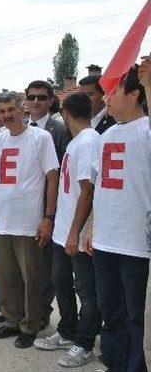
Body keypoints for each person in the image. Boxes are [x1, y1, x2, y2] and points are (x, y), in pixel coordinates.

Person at [86, 63, 151, 372]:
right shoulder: (106, 134)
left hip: (137, 241)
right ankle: (114, 363)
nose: (107, 98)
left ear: (135, 94)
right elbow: (100, 186)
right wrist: (91, 226)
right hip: (105, 238)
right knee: (110, 309)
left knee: (136, 315)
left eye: (114, 92)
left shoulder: (147, 130)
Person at [0, 91, 59, 349]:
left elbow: (52, 177)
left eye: (11, 110)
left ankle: (31, 324)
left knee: (32, 277)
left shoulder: (41, 137)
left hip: (28, 220)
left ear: (23, 109)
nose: (6, 115)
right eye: (2, 111)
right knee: (6, 276)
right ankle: (12, 320)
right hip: (2, 217)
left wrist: (48, 216)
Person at [33, 92, 101, 367]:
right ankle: (67, 331)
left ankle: (84, 343)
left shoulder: (89, 141)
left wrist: (76, 232)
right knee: (60, 281)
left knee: (86, 289)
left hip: (77, 231)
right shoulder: (77, 141)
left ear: (64, 112)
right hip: (63, 229)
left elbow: (88, 190)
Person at [25, 80, 71, 329]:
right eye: (31, 97)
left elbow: (63, 173)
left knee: (45, 265)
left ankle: (42, 311)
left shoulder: (60, 130)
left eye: (41, 97)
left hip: (47, 206)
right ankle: (26, 308)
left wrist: (51, 214)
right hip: (23, 206)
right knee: (27, 263)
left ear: (51, 100)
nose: (36, 102)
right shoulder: (19, 129)